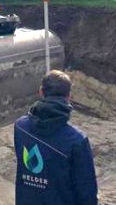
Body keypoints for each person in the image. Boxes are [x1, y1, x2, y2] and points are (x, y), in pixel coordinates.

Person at [14, 70, 98, 205]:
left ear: (41, 92)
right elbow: (87, 192)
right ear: (69, 96)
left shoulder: (20, 128)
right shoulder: (76, 141)